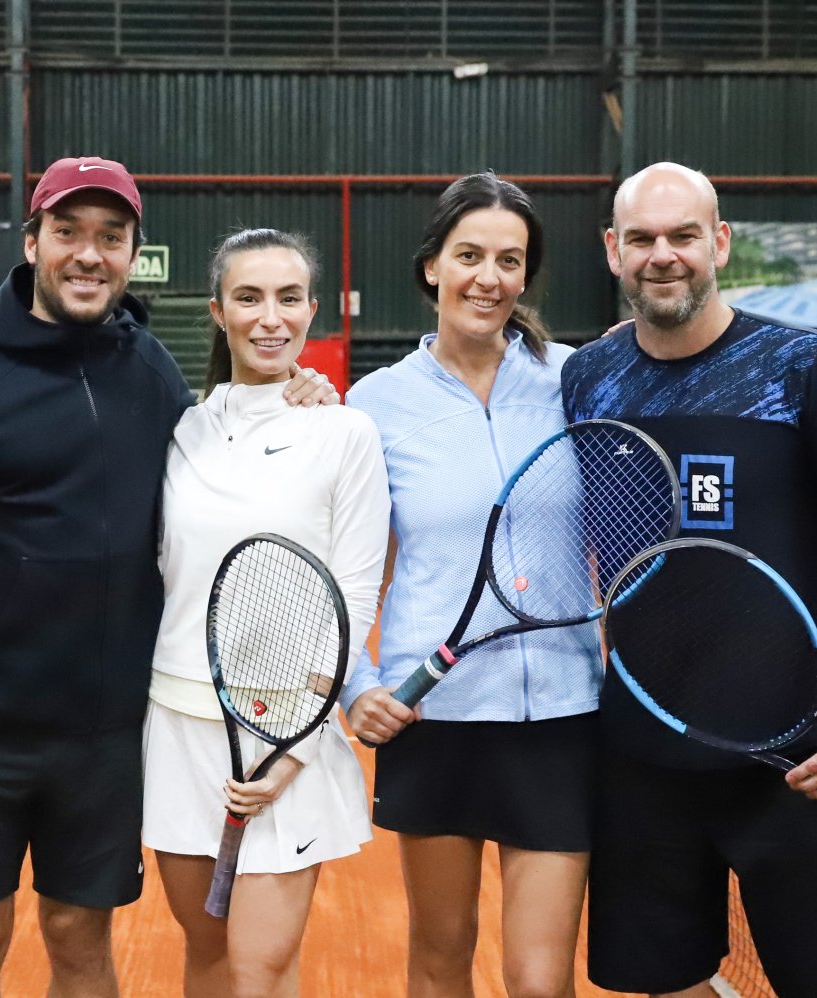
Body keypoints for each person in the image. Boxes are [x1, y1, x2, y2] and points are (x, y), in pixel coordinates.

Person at [0, 157, 336, 998]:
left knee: (79, 942)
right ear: (32, 242)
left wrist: (296, 393)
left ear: (134, 253)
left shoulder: (151, 373)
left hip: (105, 738)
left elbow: (224, 468)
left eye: (111, 237)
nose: (89, 254)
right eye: (68, 232)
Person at [562, 162, 817, 998]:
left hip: (796, 760)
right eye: (642, 238)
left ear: (718, 242)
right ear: (613, 251)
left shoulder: (802, 364)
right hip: (641, 759)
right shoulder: (586, 378)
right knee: (667, 984)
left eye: (683, 235)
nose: (663, 254)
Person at [344, 172, 602, 998]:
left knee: (539, 979)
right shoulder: (374, 406)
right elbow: (350, 570)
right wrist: (358, 686)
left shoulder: (578, 381)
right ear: (433, 266)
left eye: (509, 260)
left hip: (561, 716)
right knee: (440, 955)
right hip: (435, 717)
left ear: (526, 276)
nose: (488, 278)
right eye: (469, 256)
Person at [140, 228, 390, 998]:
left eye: (288, 298)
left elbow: (353, 596)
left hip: (288, 733)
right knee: (208, 956)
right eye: (248, 298)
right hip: (179, 729)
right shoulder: (180, 430)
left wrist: (295, 747)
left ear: (313, 310)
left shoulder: (345, 432)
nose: (270, 317)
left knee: (259, 969)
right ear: (219, 312)